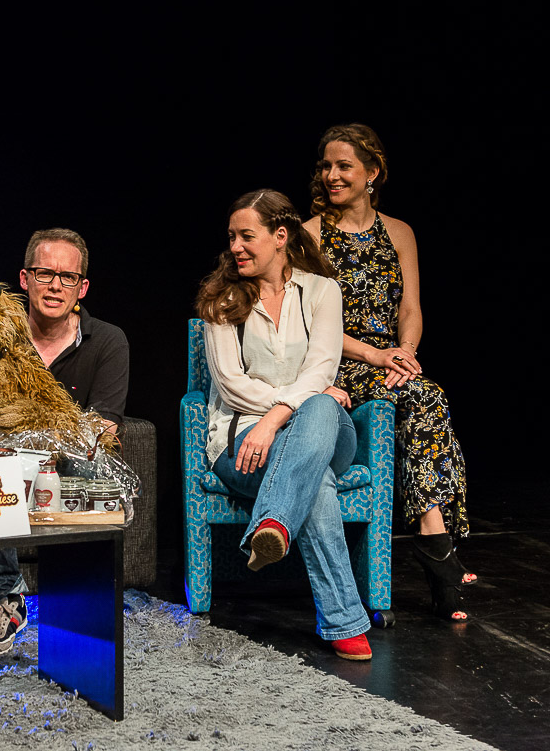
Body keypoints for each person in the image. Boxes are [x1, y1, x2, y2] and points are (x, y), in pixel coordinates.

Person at [301, 123, 475, 622]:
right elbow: (315, 326)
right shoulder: (310, 235)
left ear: (372, 172)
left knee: (422, 396)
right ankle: (437, 543)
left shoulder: (399, 232)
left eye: (344, 166)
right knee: (426, 399)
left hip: (393, 361)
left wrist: (406, 353)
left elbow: (412, 308)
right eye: (326, 166)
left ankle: (434, 540)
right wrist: (379, 358)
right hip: (338, 362)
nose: (332, 175)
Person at [196, 188, 373, 661]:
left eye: (246, 236)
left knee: (320, 408)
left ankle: (271, 518)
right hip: (240, 444)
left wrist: (275, 418)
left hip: (316, 430)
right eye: (231, 237)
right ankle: (343, 624)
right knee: (316, 482)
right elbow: (232, 386)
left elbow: (323, 369)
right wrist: (299, 402)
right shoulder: (220, 299)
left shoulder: (322, 291)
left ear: (280, 236)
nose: (235, 246)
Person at [0, 227, 129, 657]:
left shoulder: (108, 340)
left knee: (94, 465)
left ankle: (84, 604)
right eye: (45, 274)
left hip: (72, 460)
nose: (56, 285)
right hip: (4, 459)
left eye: (68, 277)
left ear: (82, 287)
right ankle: (8, 598)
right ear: (24, 280)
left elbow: (103, 426)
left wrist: (44, 440)